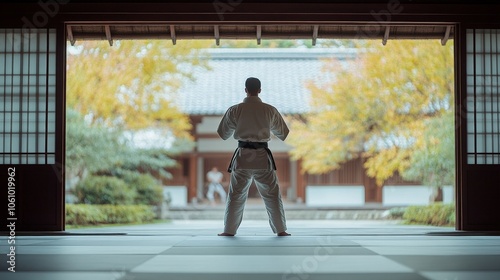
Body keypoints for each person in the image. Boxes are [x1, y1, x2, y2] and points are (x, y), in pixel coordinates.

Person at [216, 77, 291, 237]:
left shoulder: (235, 110)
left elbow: (223, 134)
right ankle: (280, 229)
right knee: (272, 195)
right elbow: (283, 133)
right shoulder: (270, 110)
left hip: (243, 157)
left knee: (236, 195)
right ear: (260, 90)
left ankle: (229, 230)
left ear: (245, 90)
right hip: (263, 157)